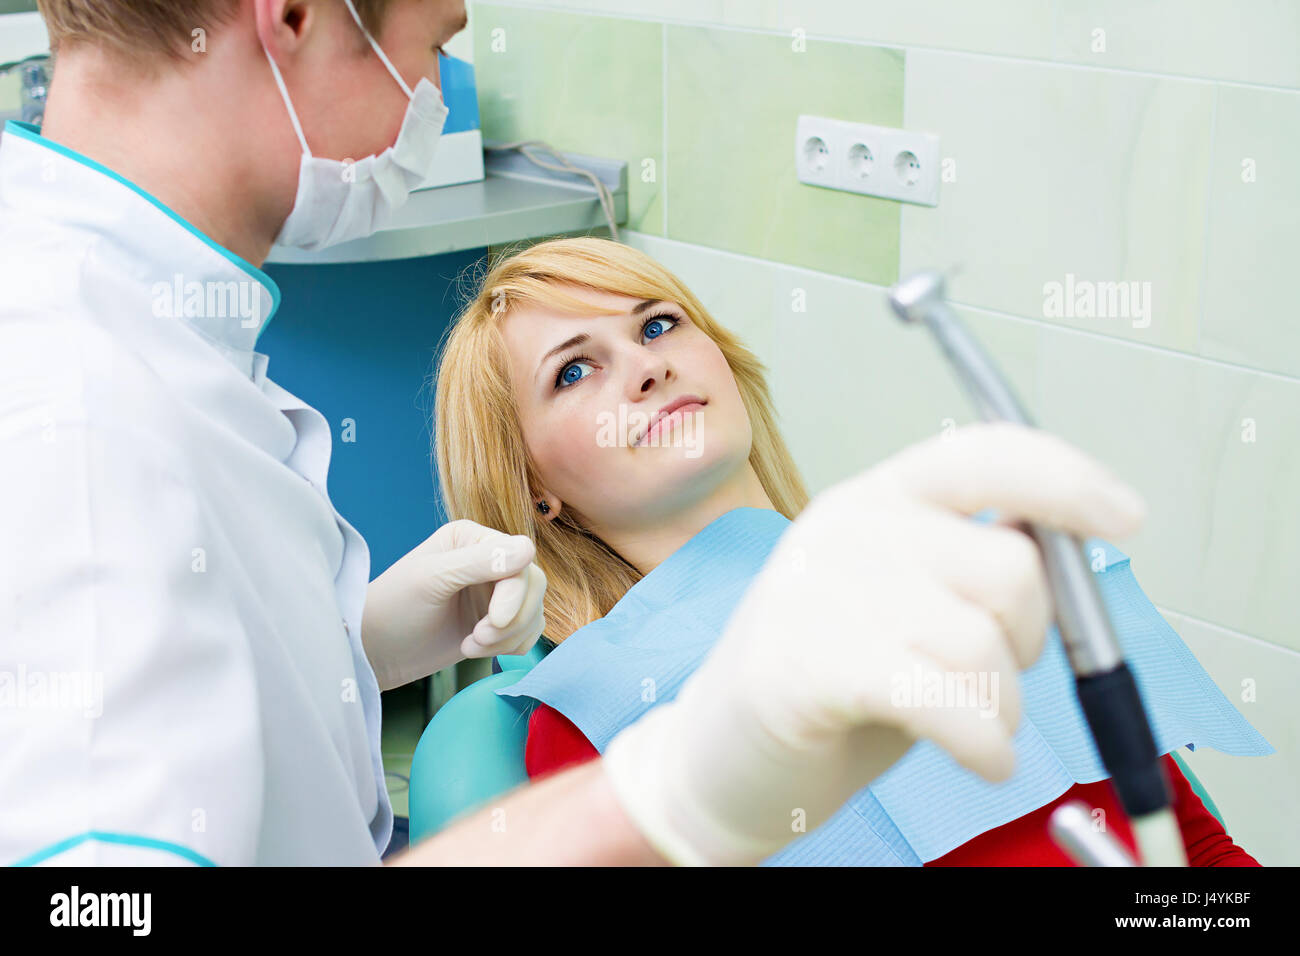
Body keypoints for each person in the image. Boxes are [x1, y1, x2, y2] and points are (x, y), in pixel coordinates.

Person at [0, 0, 1153, 867]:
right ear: (296, 15)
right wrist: (661, 796)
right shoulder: (79, 401)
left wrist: (346, 647)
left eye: (656, 322)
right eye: (427, 46)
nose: (437, 91)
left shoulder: (130, 324)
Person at [431, 236, 1261, 866]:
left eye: (657, 324)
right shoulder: (599, 719)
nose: (644, 368)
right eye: (574, 372)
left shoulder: (970, 566)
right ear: (533, 484)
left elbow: (1186, 848)